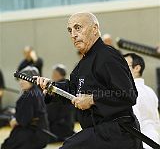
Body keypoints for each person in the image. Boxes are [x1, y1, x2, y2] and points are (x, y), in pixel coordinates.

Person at [36, 12, 142, 149]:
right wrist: (51, 88)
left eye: (78, 28)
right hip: (98, 133)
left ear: (94, 29)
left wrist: (92, 99)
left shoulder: (108, 56)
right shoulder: (84, 63)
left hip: (118, 133)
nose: (73, 34)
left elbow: (128, 95)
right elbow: (74, 89)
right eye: (70, 30)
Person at [1, 66, 49, 149]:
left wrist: (14, 120)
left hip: (33, 135)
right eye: (20, 79)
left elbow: (24, 120)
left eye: (24, 79)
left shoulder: (29, 95)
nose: (21, 82)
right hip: (41, 134)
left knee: (6, 146)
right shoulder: (36, 92)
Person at [124, 53, 160, 149]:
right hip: (154, 141)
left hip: (140, 144)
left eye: (125, 66)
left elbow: (135, 123)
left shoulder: (131, 92)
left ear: (137, 68)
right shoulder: (150, 91)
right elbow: (156, 121)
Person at [46, 64, 75, 143]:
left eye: (53, 73)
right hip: (69, 126)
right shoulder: (67, 86)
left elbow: (51, 113)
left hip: (59, 128)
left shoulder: (57, 89)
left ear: (56, 74)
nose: (52, 75)